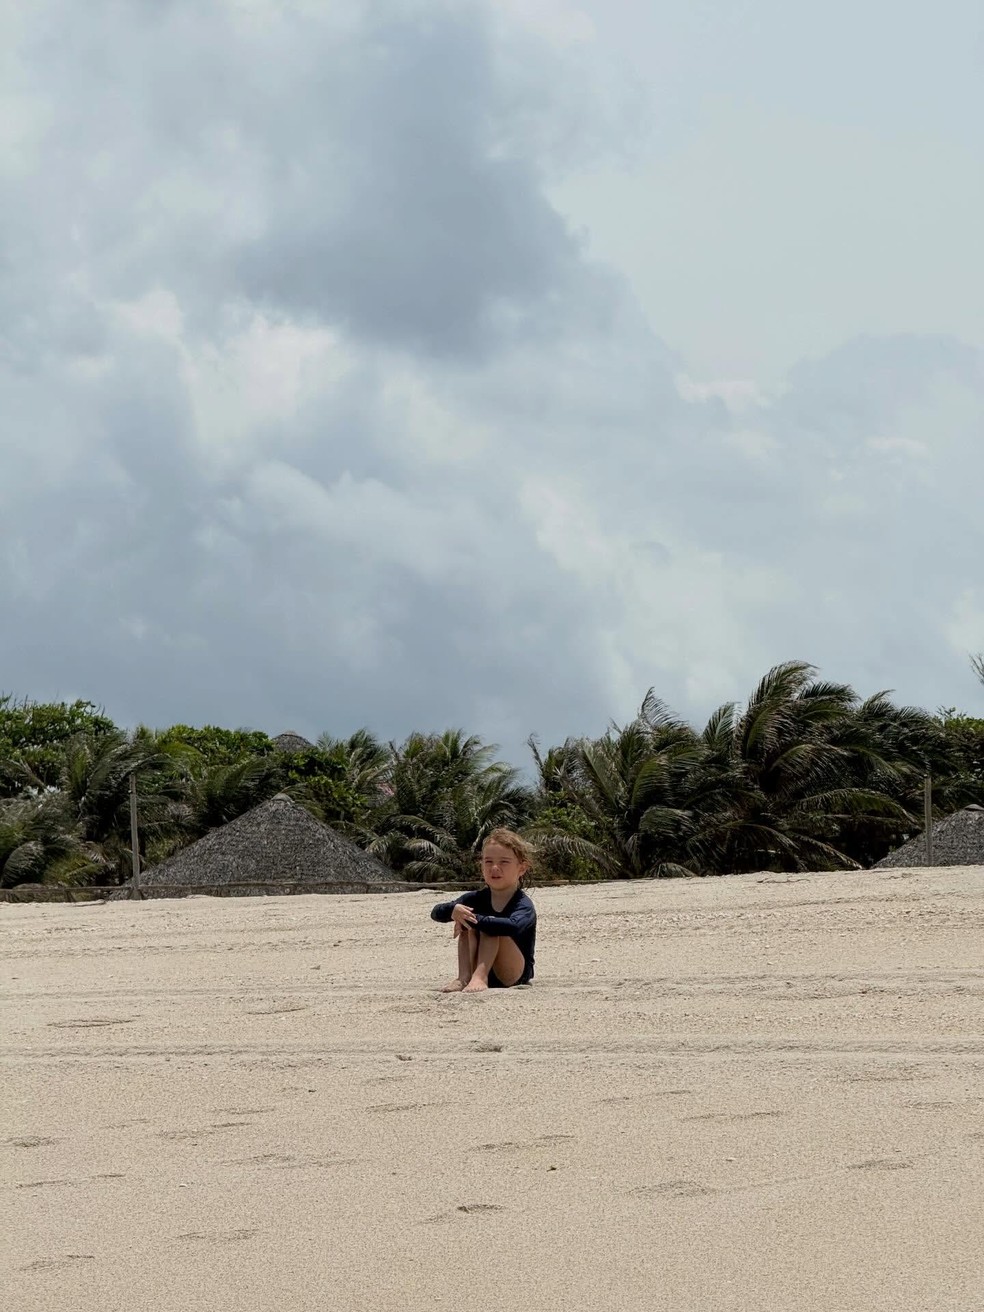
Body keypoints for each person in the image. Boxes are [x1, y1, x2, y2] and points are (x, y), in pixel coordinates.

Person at [431, 828, 537, 993]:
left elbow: (513, 926)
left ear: (521, 868)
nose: (494, 867)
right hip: (476, 965)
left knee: (489, 925)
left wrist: (476, 919)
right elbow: (436, 913)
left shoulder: (522, 904)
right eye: (488, 862)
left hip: (513, 973)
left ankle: (480, 977)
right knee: (465, 917)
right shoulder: (474, 899)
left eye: (504, 862)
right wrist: (454, 910)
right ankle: (464, 977)